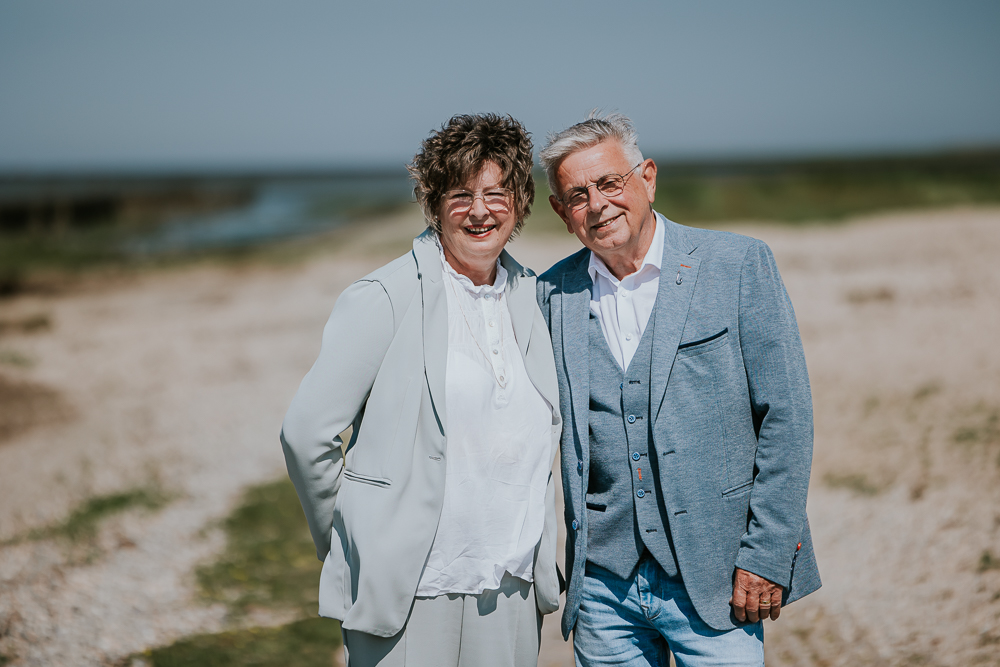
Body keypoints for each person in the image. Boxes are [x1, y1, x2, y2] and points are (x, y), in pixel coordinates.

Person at [535, 112, 821, 666]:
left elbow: (787, 418)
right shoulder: (550, 295)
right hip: (602, 590)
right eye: (577, 194)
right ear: (560, 210)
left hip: (718, 581)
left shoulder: (738, 264)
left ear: (647, 178)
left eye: (610, 183)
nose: (597, 204)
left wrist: (764, 556)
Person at [280, 114, 562, 667]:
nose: (479, 211)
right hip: (411, 589)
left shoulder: (533, 296)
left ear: (520, 201)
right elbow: (305, 434)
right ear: (433, 204)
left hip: (510, 585)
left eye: (496, 193)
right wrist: (353, 538)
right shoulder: (384, 298)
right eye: (460, 194)